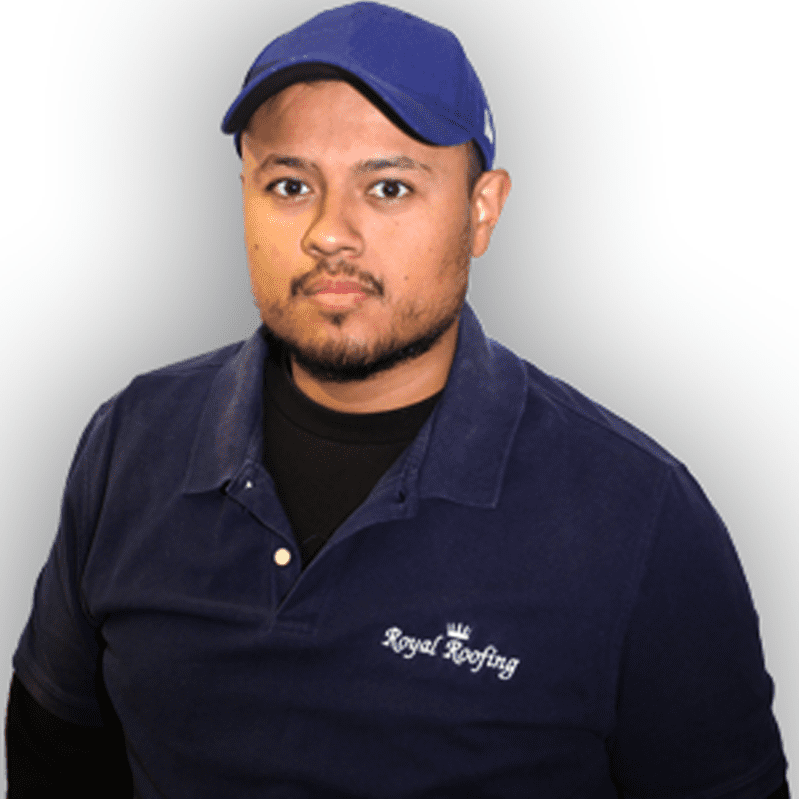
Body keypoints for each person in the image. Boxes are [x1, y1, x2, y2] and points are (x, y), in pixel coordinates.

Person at [4, 2, 789, 797]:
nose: (329, 233)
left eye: (387, 187)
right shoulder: (132, 442)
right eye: (288, 185)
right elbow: (51, 761)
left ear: (481, 211)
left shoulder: (638, 514)